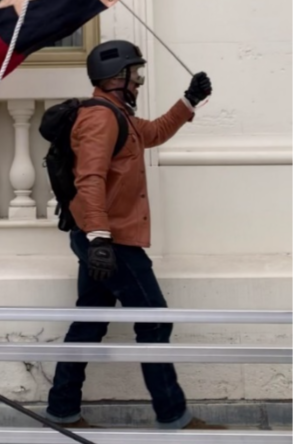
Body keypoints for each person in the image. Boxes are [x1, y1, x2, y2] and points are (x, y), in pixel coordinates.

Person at [45, 40, 226, 431]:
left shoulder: (118, 115)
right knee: (154, 319)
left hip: (104, 239)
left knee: (89, 321)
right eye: (136, 74)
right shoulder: (101, 118)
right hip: (111, 242)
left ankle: (62, 412)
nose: (140, 81)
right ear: (117, 77)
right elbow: (89, 178)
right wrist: (98, 238)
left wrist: (189, 100)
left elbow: (155, 132)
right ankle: (174, 417)